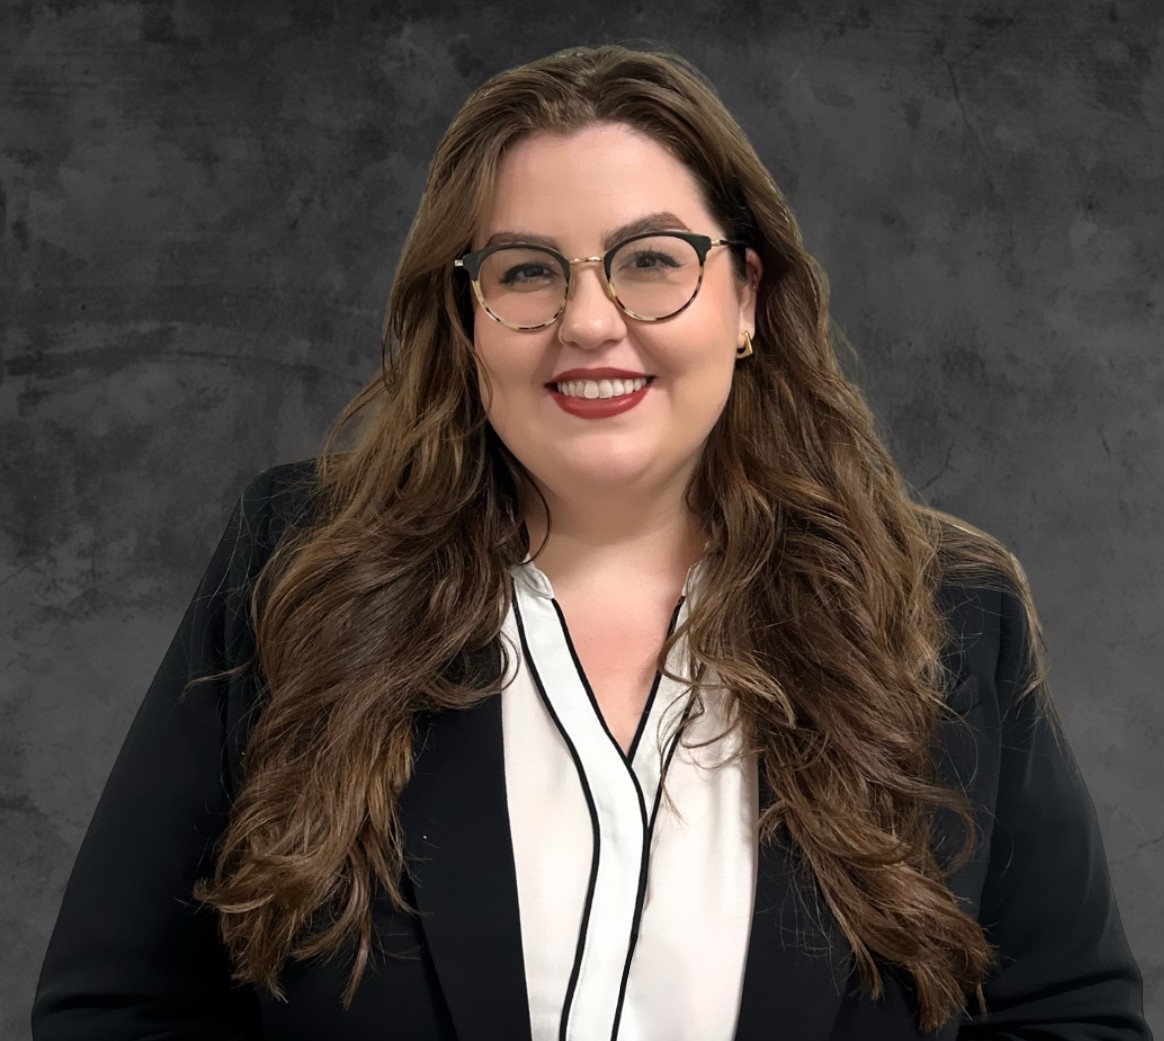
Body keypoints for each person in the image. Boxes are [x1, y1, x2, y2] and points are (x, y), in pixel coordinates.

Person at [32, 43, 1150, 1041]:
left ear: (746, 296)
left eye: (651, 259)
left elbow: (1069, 1018)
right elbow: (118, 1010)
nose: (589, 321)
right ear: (469, 321)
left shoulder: (946, 612)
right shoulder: (297, 574)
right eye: (526, 270)